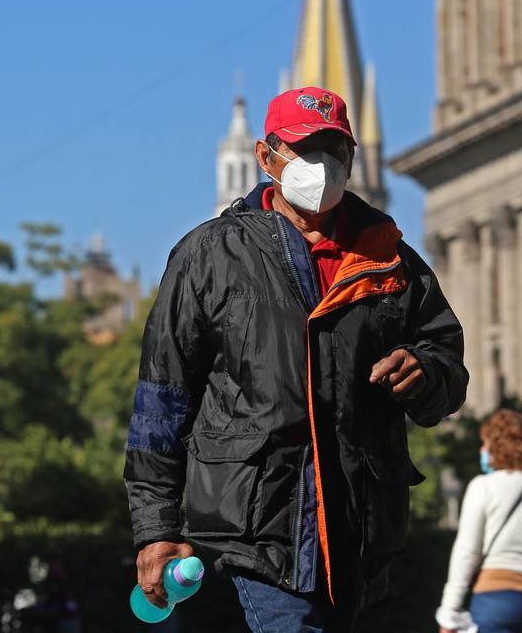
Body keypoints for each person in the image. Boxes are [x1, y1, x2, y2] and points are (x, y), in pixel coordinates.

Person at [125, 87, 468, 632]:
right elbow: (162, 398)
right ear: (267, 158)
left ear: (353, 160)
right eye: (305, 148)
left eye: (335, 151)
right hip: (257, 525)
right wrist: (156, 526)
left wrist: (425, 372)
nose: (322, 166)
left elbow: (447, 363)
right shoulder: (210, 254)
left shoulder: (390, 257)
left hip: (359, 527)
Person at [436, 409, 522, 633]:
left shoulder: (482, 487)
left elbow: (467, 551)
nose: (482, 450)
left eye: (485, 443)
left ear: (497, 446)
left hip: (497, 599)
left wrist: (449, 612)